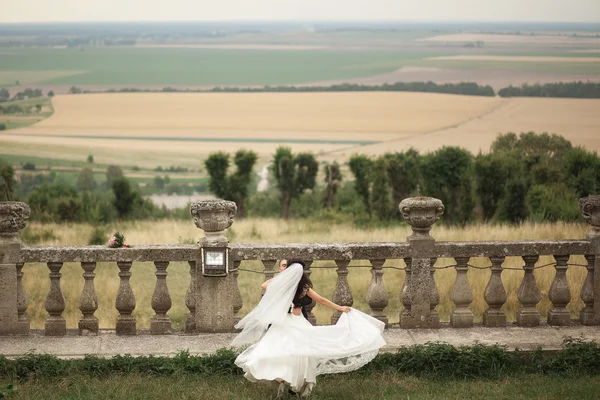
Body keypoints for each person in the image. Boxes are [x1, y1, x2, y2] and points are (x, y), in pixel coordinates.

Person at [232, 262, 386, 397]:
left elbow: (264, 286)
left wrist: (282, 278)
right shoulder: (301, 286)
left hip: (288, 322)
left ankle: (288, 381)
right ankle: (292, 381)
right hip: (291, 322)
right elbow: (321, 300)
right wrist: (339, 307)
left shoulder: (286, 286)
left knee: (288, 350)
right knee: (293, 351)